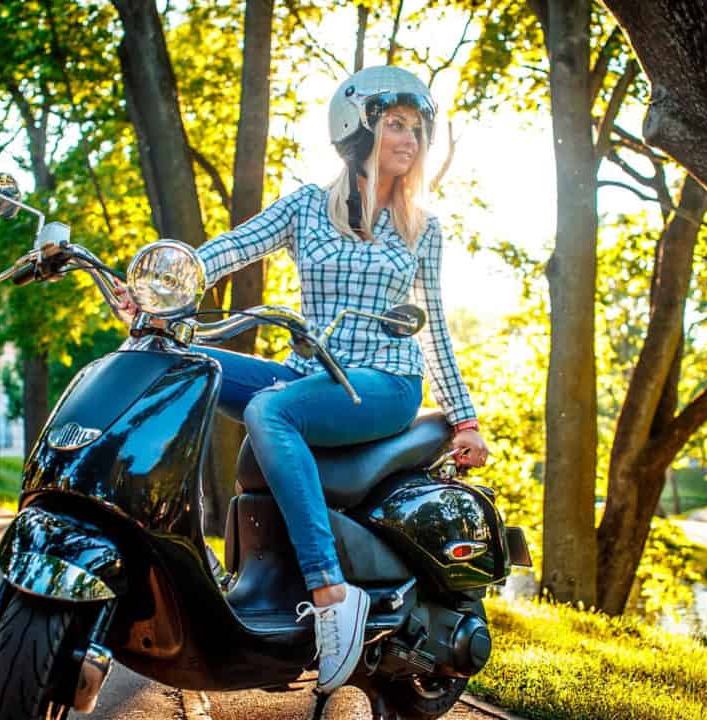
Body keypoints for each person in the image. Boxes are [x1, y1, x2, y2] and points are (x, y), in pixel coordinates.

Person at [118, 66, 488, 693]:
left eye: (418, 129)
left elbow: (437, 328)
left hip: (384, 384)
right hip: (310, 373)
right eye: (396, 123)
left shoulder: (424, 228)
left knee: (272, 412)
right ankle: (175, 549)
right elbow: (231, 249)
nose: (411, 139)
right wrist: (159, 291)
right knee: (181, 362)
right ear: (359, 126)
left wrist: (466, 416)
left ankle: (328, 591)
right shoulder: (307, 207)